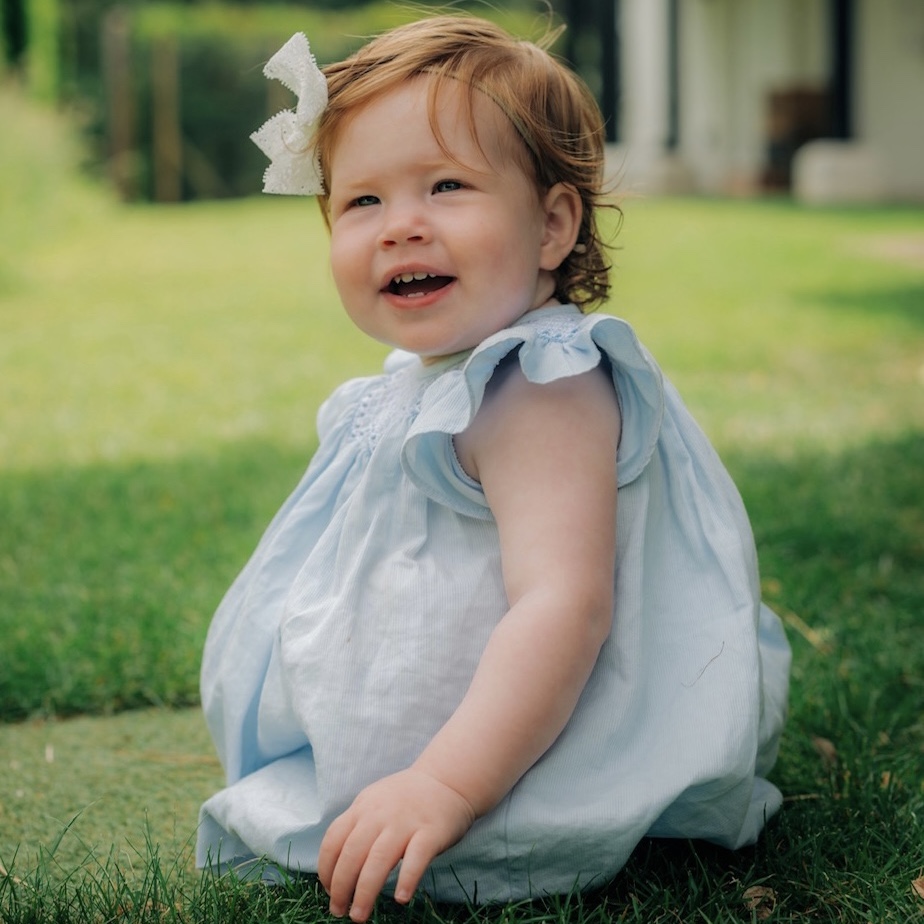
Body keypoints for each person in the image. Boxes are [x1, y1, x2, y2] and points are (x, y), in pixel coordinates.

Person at [196, 15, 791, 923]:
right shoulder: (430, 380)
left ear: (552, 225)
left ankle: (457, 802)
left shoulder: (542, 386)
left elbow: (564, 604)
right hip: (460, 741)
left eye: (446, 186)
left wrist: (443, 783)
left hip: (507, 761)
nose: (401, 227)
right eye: (362, 202)